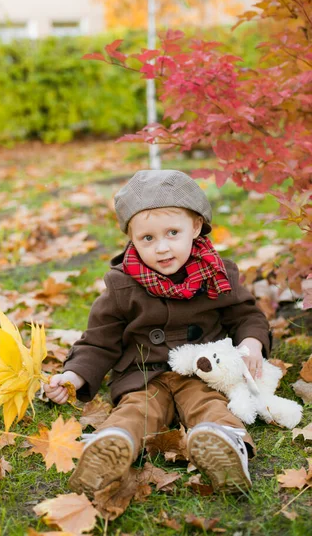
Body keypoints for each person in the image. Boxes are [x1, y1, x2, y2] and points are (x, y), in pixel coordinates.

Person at [43, 169, 271, 497]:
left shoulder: (217, 273)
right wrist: (74, 375)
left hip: (200, 370)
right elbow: (98, 339)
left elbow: (246, 315)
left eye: (172, 233)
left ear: (195, 227)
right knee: (137, 410)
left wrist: (251, 342)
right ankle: (111, 446)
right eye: (147, 238)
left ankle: (224, 443)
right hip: (144, 375)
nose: (162, 248)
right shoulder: (122, 286)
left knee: (208, 404)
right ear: (132, 239)